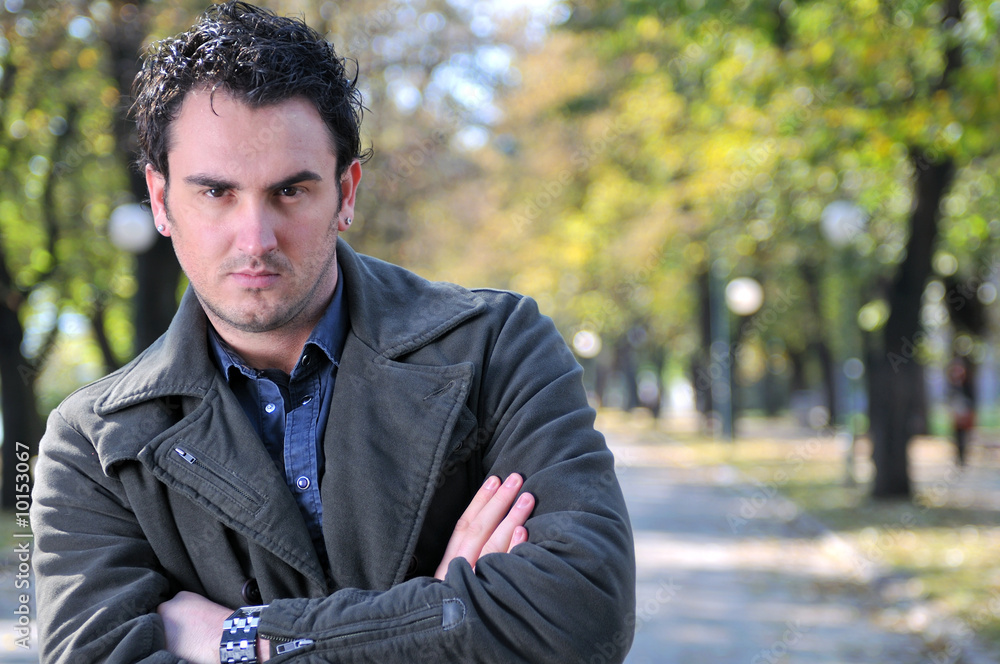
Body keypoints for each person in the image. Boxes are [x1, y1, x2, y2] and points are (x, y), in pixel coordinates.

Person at [30, 3, 636, 663]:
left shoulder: (496, 348)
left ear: (346, 193)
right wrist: (440, 610)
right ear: (160, 199)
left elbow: (583, 613)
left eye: (290, 192)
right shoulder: (94, 444)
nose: (255, 239)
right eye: (215, 193)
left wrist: (241, 641)